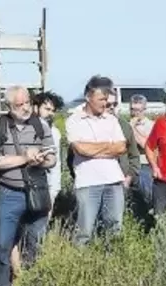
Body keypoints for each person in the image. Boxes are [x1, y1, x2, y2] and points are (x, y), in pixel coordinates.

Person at [0, 86, 56, 286]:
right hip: (9, 192)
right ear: (9, 106)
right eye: (20, 105)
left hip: (37, 191)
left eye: (27, 102)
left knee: (35, 241)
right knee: (2, 242)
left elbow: (52, 158)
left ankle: (30, 285)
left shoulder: (41, 124)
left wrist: (42, 159)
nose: (26, 108)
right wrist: (25, 158)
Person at [64, 75, 128, 245]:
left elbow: (121, 147)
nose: (104, 103)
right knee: (84, 231)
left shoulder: (112, 119)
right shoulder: (74, 120)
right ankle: (81, 265)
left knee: (114, 228)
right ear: (88, 97)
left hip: (114, 181)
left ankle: (113, 264)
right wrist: (108, 147)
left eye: (106, 99)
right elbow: (81, 149)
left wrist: (94, 148)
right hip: (88, 182)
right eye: (101, 99)